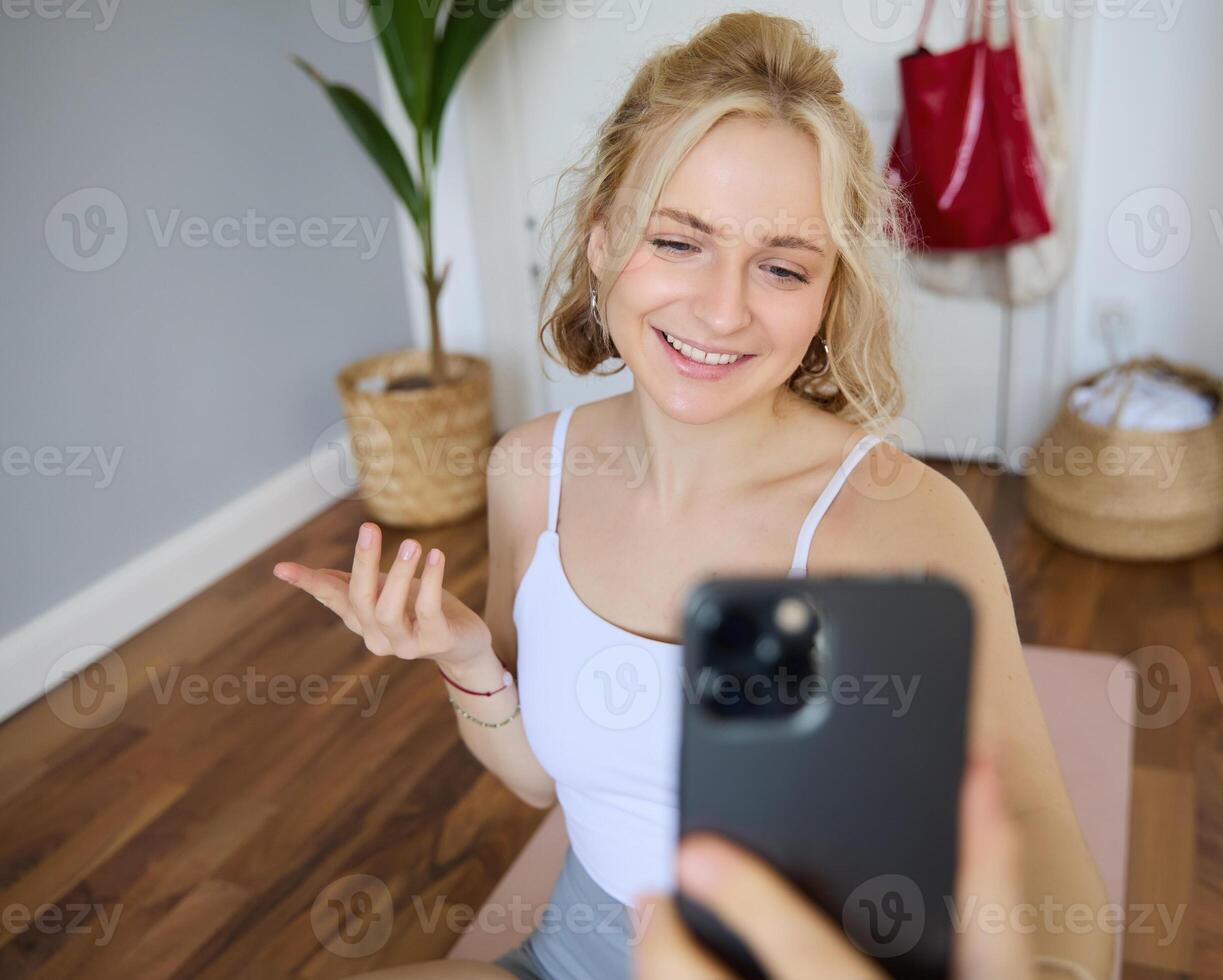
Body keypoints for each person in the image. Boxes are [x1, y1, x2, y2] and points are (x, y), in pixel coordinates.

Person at [274, 11, 1112, 979]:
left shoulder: (900, 516)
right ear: (600, 239)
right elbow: (539, 782)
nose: (722, 309)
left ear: (830, 293)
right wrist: (467, 657)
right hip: (573, 950)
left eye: (783, 265)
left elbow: (1052, 873)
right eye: (677, 242)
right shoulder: (530, 473)